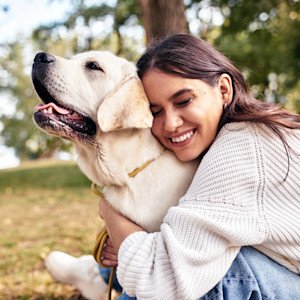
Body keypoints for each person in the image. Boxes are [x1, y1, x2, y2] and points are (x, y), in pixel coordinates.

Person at [45, 33, 300, 299]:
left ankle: (101, 279)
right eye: (155, 111)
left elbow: (161, 279)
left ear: (223, 90)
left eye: (184, 101)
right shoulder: (241, 132)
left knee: (212, 273)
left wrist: (112, 215)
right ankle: (98, 277)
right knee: (185, 242)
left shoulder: (242, 149)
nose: (170, 124)